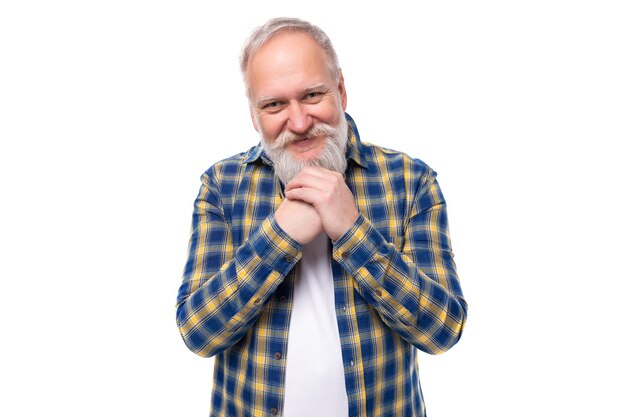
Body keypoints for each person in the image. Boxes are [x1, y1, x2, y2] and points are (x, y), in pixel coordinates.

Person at [176, 17, 468, 417]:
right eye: (275, 104)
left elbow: (443, 330)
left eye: (313, 95)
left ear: (341, 90)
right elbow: (198, 333)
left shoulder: (410, 182)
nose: (298, 123)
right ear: (254, 114)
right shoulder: (221, 186)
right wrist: (280, 236)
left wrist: (352, 231)